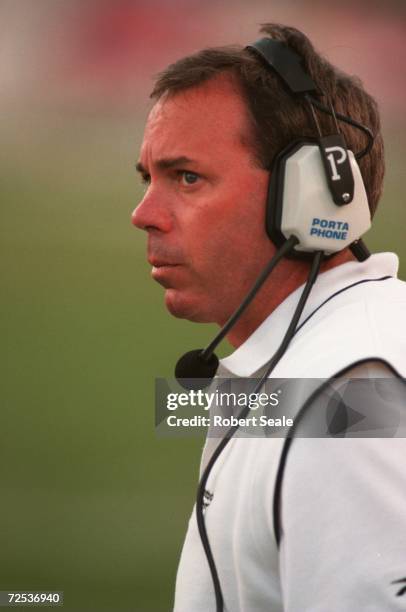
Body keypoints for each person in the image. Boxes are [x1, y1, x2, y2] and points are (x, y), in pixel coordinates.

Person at [132, 24, 406, 612]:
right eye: (147, 178)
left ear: (310, 197)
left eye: (187, 177)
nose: (144, 215)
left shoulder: (350, 400)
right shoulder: (329, 354)